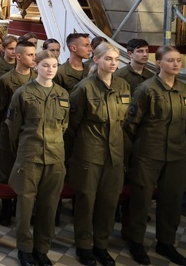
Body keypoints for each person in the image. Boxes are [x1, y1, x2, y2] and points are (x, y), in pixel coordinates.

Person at [66, 42, 131, 266]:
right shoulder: (84, 88)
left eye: (116, 59)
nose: (113, 63)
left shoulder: (123, 86)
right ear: (96, 60)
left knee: (109, 202)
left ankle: (101, 245)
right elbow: (72, 125)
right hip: (89, 154)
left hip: (115, 155)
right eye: (108, 59)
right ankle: (84, 246)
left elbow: (124, 121)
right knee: (86, 201)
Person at [124, 46, 186, 266]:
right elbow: (131, 125)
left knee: (171, 200)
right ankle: (135, 241)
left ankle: (166, 242)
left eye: (178, 60)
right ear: (159, 62)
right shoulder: (147, 89)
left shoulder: (183, 89)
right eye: (170, 60)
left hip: (176, 154)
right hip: (148, 153)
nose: (176, 64)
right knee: (141, 201)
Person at [6, 49, 69, 266]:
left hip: (55, 158)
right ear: (36, 67)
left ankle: (42, 248)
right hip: (30, 155)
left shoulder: (62, 94)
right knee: (25, 205)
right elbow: (13, 129)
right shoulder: (23, 93)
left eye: (54, 66)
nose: (50, 70)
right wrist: (23, 151)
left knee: (49, 206)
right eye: (45, 65)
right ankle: (24, 248)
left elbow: (64, 126)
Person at [0, 40, 37, 226]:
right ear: (19, 56)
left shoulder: (37, 79)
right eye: (30, 55)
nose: (34, 58)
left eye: (35, 54)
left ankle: (22, 207)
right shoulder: (5, 81)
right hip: (7, 135)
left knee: (27, 173)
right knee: (6, 172)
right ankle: (6, 207)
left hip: (29, 136)